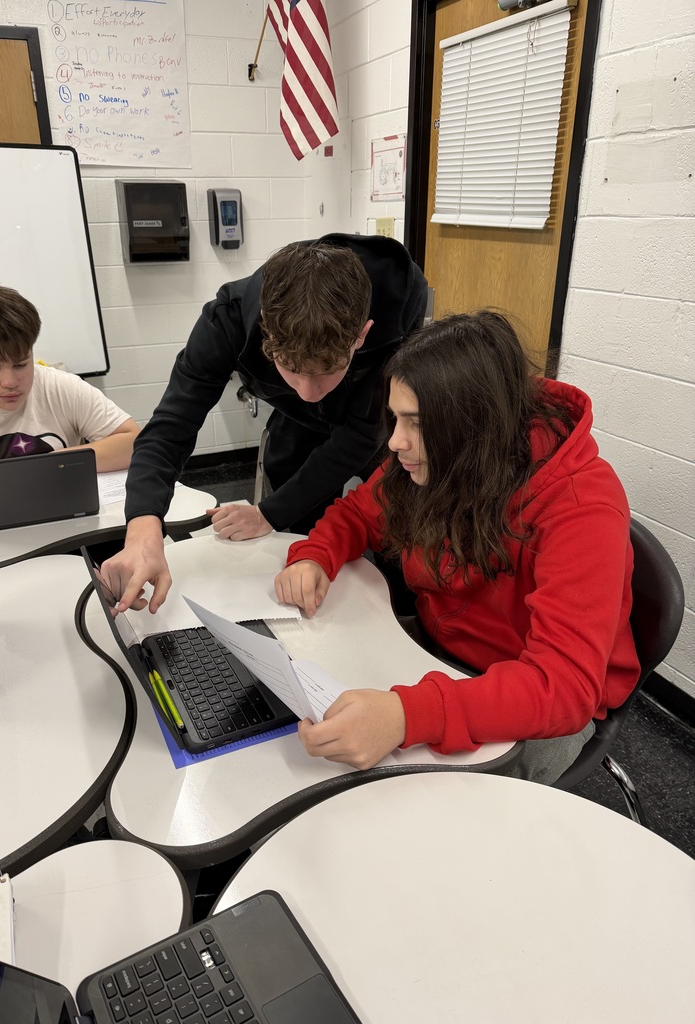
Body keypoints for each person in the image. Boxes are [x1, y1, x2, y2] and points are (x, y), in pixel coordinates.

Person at [273, 311, 640, 784]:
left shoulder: (581, 505)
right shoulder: (444, 457)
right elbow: (359, 513)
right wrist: (315, 555)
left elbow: (562, 688)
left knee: (401, 810)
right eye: (396, 418)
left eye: (416, 423)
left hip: (535, 704)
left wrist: (406, 716)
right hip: (441, 655)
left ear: (475, 426)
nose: (397, 442)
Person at [102, 233, 427, 613]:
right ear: (265, 330)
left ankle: (408, 615)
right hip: (294, 421)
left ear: (362, 335)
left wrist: (268, 512)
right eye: (291, 369)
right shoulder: (226, 322)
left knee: (395, 512)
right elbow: (169, 428)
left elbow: (359, 436)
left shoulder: (398, 307)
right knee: (294, 513)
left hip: (368, 412)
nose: (309, 392)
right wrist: (143, 528)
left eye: (327, 371)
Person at [0, 284, 140, 508]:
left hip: (65, 520)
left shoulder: (60, 386)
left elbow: (134, 442)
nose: (10, 382)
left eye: (21, 364)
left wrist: (42, 468)